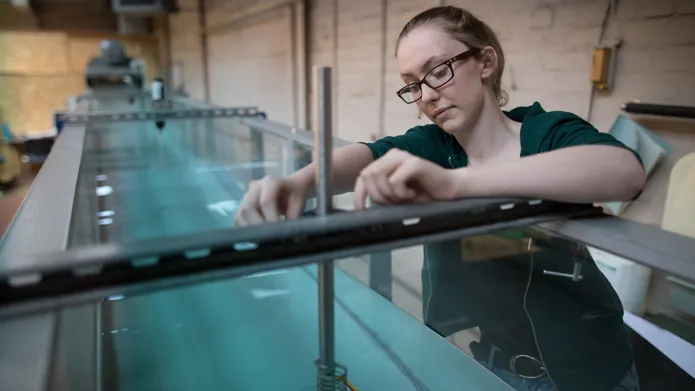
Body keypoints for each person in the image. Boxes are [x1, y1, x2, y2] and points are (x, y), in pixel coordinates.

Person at [235, 6, 644, 391]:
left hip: (591, 372)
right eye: (413, 84)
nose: (426, 95)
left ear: (485, 62)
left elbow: (624, 172)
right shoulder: (434, 145)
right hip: (495, 366)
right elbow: (367, 155)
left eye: (438, 71)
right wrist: (301, 183)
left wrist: (457, 184)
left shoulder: (547, 132)